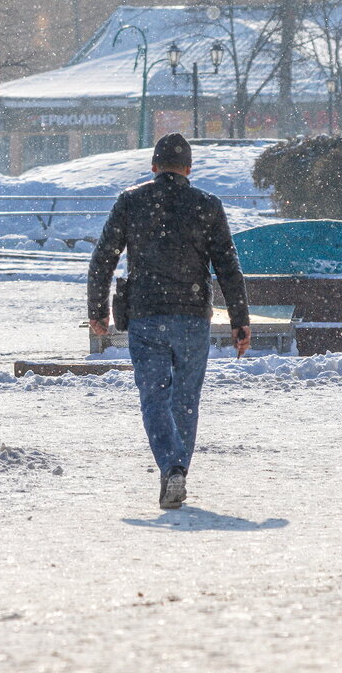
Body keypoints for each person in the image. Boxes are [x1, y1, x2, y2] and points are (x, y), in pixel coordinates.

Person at [87, 133, 252, 510]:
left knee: (154, 398)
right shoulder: (207, 205)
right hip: (193, 317)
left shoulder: (131, 201)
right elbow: (228, 266)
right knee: (186, 400)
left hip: (147, 317)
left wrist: (98, 311)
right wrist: (240, 320)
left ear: (154, 166)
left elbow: (103, 259)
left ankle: (171, 466)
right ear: (189, 170)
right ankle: (178, 470)